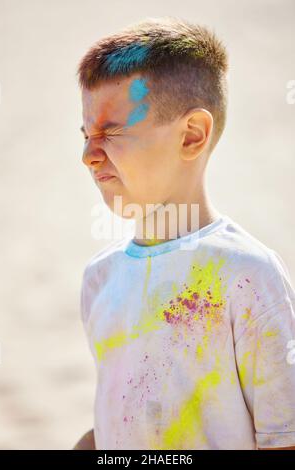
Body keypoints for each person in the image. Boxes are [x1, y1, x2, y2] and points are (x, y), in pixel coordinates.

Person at [73, 16, 295, 450]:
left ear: (192, 135)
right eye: (85, 135)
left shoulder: (247, 275)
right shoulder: (99, 278)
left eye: (110, 132)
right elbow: (126, 416)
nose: (88, 155)